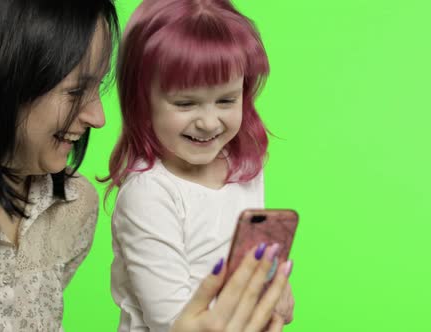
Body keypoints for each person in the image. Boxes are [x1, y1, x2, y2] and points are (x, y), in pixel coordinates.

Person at [0, 0, 292, 331]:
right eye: (74, 91)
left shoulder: (72, 203)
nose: (99, 117)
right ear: (4, 81)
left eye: (99, 86)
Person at [105, 0, 294, 331]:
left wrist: (273, 291)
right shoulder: (149, 194)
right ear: (141, 100)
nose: (209, 123)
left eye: (226, 100)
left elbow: (251, 268)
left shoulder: (242, 167)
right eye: (185, 102)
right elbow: (171, 322)